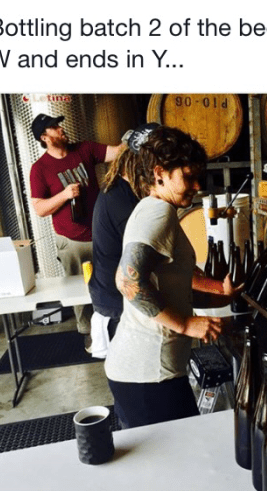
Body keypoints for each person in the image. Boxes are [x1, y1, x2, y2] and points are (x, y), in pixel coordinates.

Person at [104, 126, 240, 428]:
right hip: (148, 375)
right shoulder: (158, 213)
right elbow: (127, 281)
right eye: (188, 177)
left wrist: (221, 294)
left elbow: (171, 284)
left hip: (148, 372)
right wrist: (185, 324)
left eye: (198, 177)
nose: (197, 186)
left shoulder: (155, 208)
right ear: (159, 174)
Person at [29, 113, 125, 350]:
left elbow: (116, 152)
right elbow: (39, 209)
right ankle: (87, 332)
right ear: (44, 137)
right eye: (54, 127)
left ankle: (119, 326)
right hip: (71, 241)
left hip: (102, 234)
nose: (61, 129)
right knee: (80, 291)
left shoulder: (84, 149)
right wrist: (64, 195)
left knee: (113, 281)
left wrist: (133, 139)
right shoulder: (40, 169)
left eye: (59, 125)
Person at [88, 123, 160, 351]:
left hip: (118, 297)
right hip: (118, 305)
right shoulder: (121, 203)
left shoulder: (124, 190)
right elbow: (148, 258)